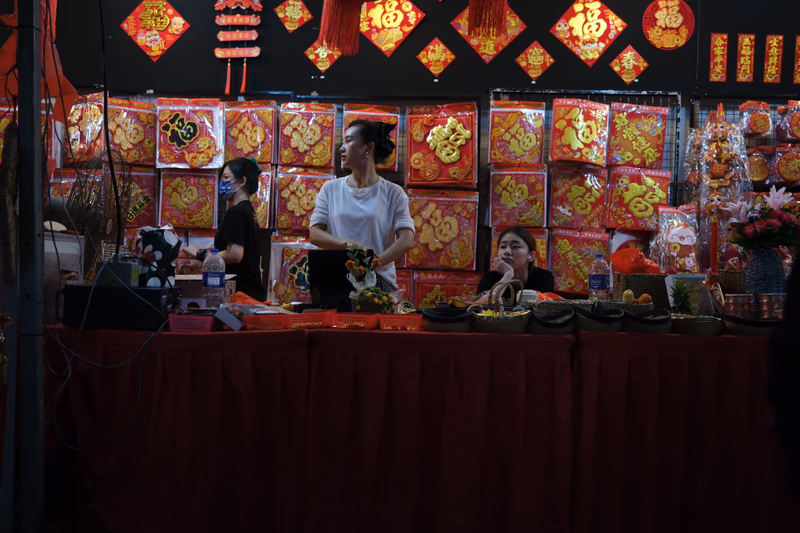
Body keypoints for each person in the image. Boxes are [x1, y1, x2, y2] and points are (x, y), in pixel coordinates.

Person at [309, 119, 414, 292]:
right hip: (336, 279)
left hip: (378, 281)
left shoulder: (393, 193)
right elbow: (315, 234)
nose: (342, 147)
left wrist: (374, 262)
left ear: (368, 147)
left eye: (349, 141)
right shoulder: (330, 188)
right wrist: (351, 246)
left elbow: (406, 240)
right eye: (343, 142)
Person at [180, 158, 265, 301]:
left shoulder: (236, 212)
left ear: (242, 181)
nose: (222, 183)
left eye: (226, 177)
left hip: (240, 294)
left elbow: (235, 255)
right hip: (251, 292)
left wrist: (200, 254)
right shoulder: (248, 210)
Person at [477, 226, 554, 300]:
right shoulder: (490, 278)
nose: (507, 252)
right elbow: (481, 304)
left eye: (515, 247)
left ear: (531, 256)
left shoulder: (543, 278)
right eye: (503, 247)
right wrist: (508, 274)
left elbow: (545, 308)